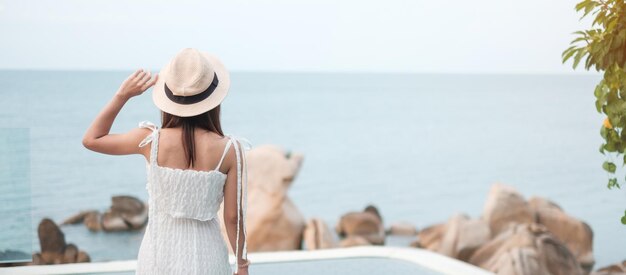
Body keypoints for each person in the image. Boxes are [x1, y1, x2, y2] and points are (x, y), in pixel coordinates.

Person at [82, 48, 250, 275]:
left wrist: (122, 96)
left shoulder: (150, 140)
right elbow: (232, 218)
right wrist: (242, 265)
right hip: (206, 257)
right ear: (213, 101)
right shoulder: (230, 150)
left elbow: (92, 139)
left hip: (157, 256)